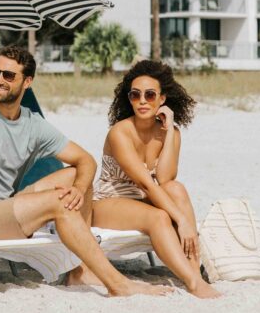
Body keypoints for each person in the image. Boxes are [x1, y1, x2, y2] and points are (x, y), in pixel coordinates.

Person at [0, 45, 169, 297]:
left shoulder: (32, 123)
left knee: (76, 175)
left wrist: (78, 188)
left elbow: (86, 160)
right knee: (59, 202)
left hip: (4, 207)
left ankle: (82, 271)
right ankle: (118, 284)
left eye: (8, 76)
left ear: (27, 82)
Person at [92, 59, 220, 299]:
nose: (142, 101)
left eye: (150, 95)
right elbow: (145, 183)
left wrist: (170, 130)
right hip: (109, 201)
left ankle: (193, 269)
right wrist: (181, 220)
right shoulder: (120, 132)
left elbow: (165, 177)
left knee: (177, 189)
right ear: (128, 98)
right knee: (160, 216)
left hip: (143, 199)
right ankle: (194, 283)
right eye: (135, 95)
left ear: (162, 99)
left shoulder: (169, 132)